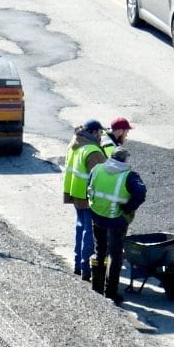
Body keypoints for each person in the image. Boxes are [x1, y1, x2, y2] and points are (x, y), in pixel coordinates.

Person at [87, 148, 147, 303]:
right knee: (115, 255)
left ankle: (96, 288)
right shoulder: (129, 176)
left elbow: (89, 187)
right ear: (125, 160)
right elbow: (141, 192)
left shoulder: (98, 168)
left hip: (97, 214)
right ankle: (111, 291)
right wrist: (128, 208)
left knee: (100, 251)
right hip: (116, 219)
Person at [63, 119, 106, 280]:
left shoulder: (74, 143)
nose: (101, 136)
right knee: (90, 232)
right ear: (94, 132)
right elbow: (100, 175)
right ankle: (86, 268)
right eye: (100, 133)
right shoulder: (92, 150)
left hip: (75, 193)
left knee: (80, 229)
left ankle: (77, 264)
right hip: (88, 197)